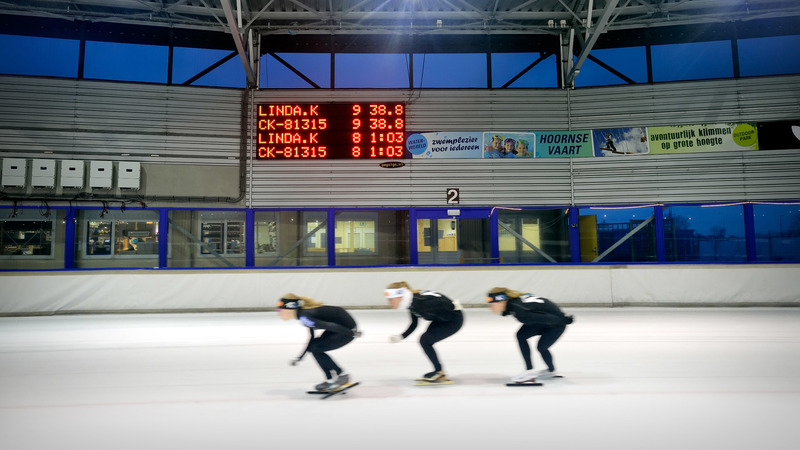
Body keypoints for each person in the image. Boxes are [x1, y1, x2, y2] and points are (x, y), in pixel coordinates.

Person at [485, 287, 574, 383]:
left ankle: (533, 372)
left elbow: (546, 317)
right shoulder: (514, 303)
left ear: (502, 301)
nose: (490, 308)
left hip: (556, 324)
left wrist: (563, 320)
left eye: (492, 305)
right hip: (545, 320)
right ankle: (544, 370)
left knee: (541, 347)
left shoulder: (520, 311)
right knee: (521, 335)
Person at [277, 293, 361, 392]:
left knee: (316, 349)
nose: (278, 312)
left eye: (279, 309)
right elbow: (312, 339)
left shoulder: (304, 317)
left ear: (290, 308)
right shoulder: (303, 315)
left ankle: (342, 376)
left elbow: (329, 325)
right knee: (315, 347)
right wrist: (300, 357)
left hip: (345, 328)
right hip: (341, 325)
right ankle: (330, 380)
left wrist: (351, 333)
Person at [385, 281, 464, 383]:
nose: (389, 302)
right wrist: (401, 337)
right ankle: (439, 371)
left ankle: (439, 372)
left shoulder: (420, 303)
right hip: (441, 319)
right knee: (425, 340)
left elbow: (440, 300)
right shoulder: (412, 303)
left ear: (400, 296)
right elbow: (414, 324)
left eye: (391, 299)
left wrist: (452, 305)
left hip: (454, 320)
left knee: (425, 340)